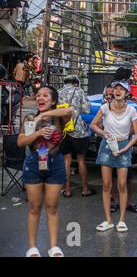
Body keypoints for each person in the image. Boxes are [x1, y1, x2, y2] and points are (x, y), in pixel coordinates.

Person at [17, 86, 72, 257]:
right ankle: (32, 246)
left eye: (45, 95)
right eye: (38, 95)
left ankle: (53, 246)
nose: (40, 97)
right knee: (34, 207)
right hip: (34, 162)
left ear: (54, 101)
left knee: (52, 206)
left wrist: (45, 115)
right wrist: (38, 132)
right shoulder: (30, 118)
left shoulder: (59, 118)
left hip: (55, 163)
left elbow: (69, 110)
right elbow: (21, 142)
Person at [90, 80, 137, 233]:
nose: (117, 91)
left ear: (127, 94)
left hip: (124, 146)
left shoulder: (131, 110)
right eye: (115, 88)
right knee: (106, 185)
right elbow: (93, 124)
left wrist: (126, 148)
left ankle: (122, 220)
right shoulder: (105, 107)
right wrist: (104, 133)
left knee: (122, 185)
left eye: (121, 89)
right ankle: (108, 220)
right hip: (107, 146)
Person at [58, 75, 95, 198]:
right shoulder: (79, 91)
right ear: (75, 82)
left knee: (66, 160)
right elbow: (87, 109)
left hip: (63, 129)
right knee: (81, 159)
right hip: (78, 129)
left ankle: (67, 190)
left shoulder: (58, 92)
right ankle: (85, 189)